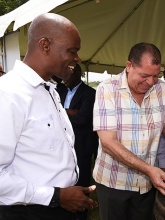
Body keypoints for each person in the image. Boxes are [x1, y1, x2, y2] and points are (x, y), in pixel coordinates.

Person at [0, 13, 98, 220]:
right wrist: (55, 196)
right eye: (72, 51)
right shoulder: (8, 94)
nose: (77, 59)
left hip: (60, 205)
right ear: (45, 45)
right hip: (31, 211)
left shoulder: (50, 90)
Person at [92, 42, 165, 220]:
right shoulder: (107, 89)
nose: (150, 82)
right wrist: (149, 170)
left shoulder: (162, 89)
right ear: (129, 66)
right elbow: (108, 142)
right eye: (144, 75)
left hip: (146, 184)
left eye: (155, 76)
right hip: (114, 182)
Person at [58, 63, 98, 220]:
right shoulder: (58, 90)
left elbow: (82, 119)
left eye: (67, 74)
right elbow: (52, 112)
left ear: (77, 74)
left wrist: (61, 112)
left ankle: (80, 215)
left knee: (81, 184)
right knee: (64, 182)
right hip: (62, 146)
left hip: (81, 147)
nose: (64, 78)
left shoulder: (90, 93)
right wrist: (71, 112)